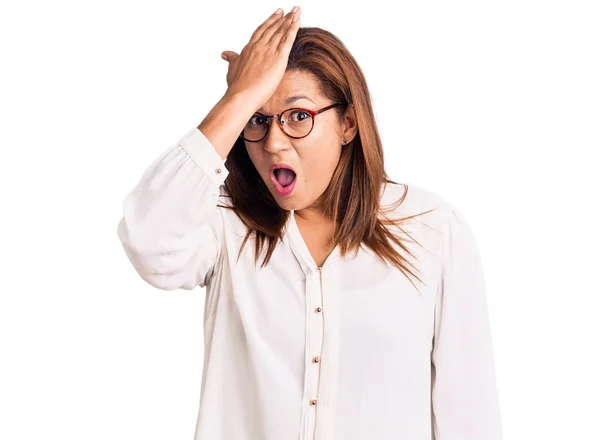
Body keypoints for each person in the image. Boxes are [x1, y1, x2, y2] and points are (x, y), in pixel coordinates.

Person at [116, 6, 503, 440]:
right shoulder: (225, 225)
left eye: (298, 116)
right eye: (258, 121)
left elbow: (470, 418)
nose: (274, 141)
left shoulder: (431, 228)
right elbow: (148, 241)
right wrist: (237, 98)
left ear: (348, 123)